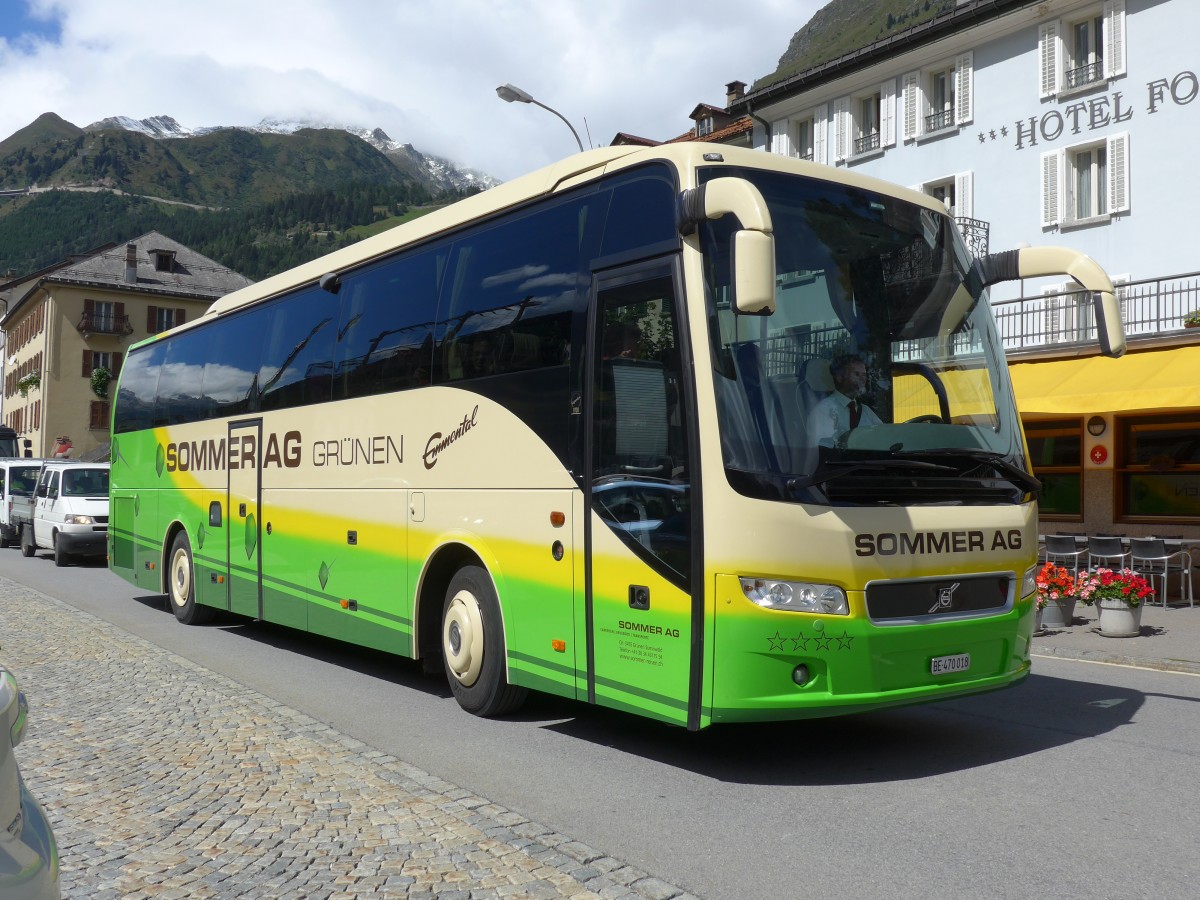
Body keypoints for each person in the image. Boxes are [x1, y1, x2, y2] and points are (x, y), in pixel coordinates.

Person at [807, 354, 882, 448]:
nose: (862, 379)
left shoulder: (866, 411)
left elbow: (883, 437)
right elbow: (826, 451)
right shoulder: (824, 411)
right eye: (856, 374)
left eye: (864, 374)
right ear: (839, 377)